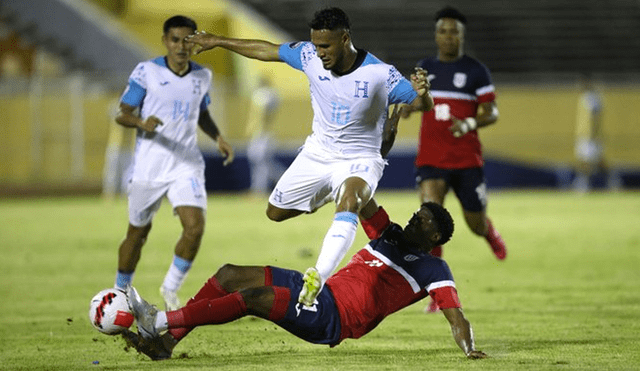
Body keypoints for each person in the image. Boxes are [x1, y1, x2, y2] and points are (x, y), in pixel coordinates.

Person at [187, 7, 434, 307]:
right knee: (274, 212)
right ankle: (334, 193)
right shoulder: (308, 57)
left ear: (345, 39)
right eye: (316, 46)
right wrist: (218, 40)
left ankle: (318, 275)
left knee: (351, 198)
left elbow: (421, 103)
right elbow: (267, 50)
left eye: (326, 46)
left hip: (361, 158)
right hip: (318, 154)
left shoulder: (381, 74)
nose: (320, 53)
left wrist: (424, 94)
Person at [122, 202, 487, 361]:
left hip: (333, 317)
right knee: (228, 274)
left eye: (421, 221)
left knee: (252, 297)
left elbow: (457, 318)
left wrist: (469, 349)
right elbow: (363, 197)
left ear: (435, 236)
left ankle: (158, 322)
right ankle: (167, 343)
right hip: (318, 288)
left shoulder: (433, 270)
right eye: (415, 214)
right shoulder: (387, 234)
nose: (412, 220)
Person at [112, 15, 234, 311]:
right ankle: (120, 292)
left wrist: (218, 137)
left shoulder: (202, 76)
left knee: (195, 227)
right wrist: (142, 122)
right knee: (137, 233)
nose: (181, 46)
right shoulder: (147, 72)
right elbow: (121, 113)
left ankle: (170, 288)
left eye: (187, 40)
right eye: (175, 40)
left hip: (186, 163)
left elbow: (201, 113)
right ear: (166, 41)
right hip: (150, 166)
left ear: (194, 42)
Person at [401, 7, 507, 313]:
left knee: (474, 223)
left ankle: (488, 233)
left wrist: (470, 123)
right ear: (436, 35)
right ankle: (437, 287)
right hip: (431, 158)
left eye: (454, 31)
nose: (449, 37)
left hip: (466, 159)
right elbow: (419, 101)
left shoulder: (476, 71)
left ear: (462, 35)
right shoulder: (425, 67)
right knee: (429, 217)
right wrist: (410, 106)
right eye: (443, 31)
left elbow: (492, 111)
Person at [572, 74, 621, 193]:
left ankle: (585, 184)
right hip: (585, 135)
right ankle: (611, 181)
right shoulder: (586, 97)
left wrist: (593, 134)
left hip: (590, 136)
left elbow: (595, 115)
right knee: (593, 161)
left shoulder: (590, 97)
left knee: (591, 161)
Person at [245, 75, 285, 196]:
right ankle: (260, 188)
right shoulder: (272, 95)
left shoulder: (263, 95)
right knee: (262, 162)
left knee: (261, 162)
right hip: (265, 133)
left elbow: (260, 115)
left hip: (262, 133)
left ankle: (261, 188)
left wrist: (253, 128)